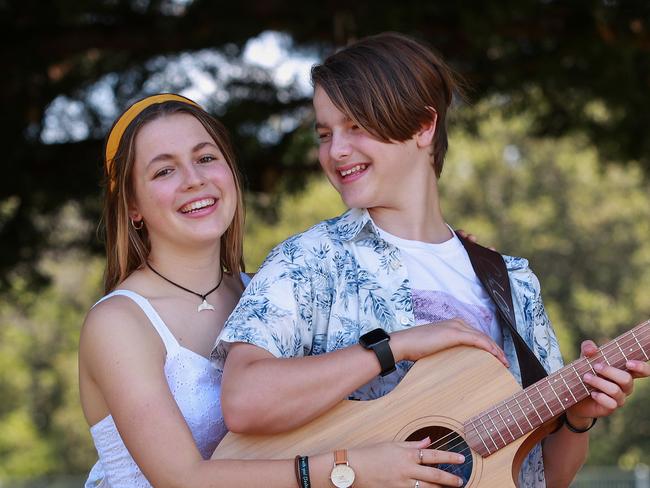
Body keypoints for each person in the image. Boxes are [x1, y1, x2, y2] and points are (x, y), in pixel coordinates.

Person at [213, 33, 650, 487]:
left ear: (423, 126)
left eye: (356, 127)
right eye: (325, 134)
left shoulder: (513, 282)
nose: (335, 151)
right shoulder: (311, 260)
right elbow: (244, 400)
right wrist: (394, 346)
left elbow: (542, 477)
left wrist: (577, 418)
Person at [79, 93, 474, 487]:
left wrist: (450, 260)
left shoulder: (268, 294)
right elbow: (184, 479)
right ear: (132, 205)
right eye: (164, 171)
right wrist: (347, 469)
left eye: (205, 158)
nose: (194, 179)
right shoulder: (119, 322)